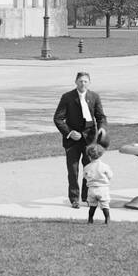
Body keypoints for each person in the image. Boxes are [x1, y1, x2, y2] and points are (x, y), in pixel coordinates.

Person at [53, 71, 108, 208]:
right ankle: (74, 199)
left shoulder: (94, 96)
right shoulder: (67, 97)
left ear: (89, 83)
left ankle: (86, 196)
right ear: (76, 82)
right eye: (80, 81)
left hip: (89, 138)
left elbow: (101, 116)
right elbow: (58, 118)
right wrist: (70, 132)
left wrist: (102, 128)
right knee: (73, 170)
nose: (83, 84)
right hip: (72, 140)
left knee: (89, 169)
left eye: (85, 81)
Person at [82, 143, 113, 224]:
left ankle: (90, 219)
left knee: (92, 205)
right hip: (103, 188)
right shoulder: (104, 166)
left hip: (92, 189)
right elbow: (110, 175)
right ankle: (107, 218)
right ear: (101, 154)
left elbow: (85, 176)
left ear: (89, 155)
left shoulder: (87, 167)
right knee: (105, 205)